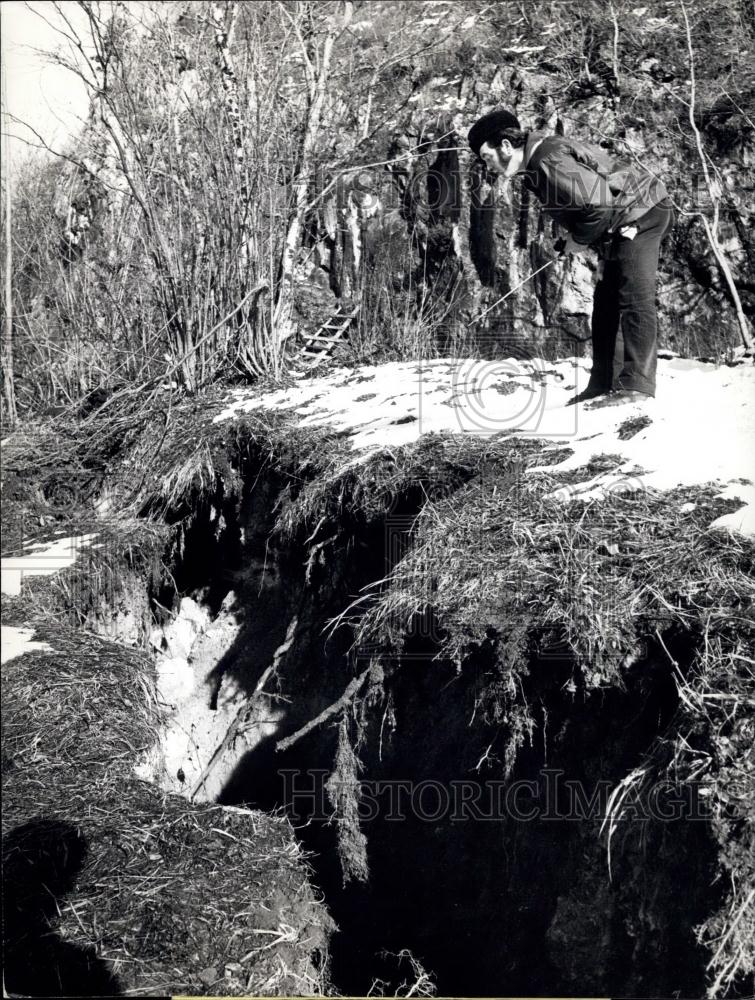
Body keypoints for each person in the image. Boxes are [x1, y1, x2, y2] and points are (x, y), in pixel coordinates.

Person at [468, 109, 674, 406]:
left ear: (505, 146)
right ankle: (604, 383)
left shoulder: (547, 159)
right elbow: (591, 204)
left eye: (486, 156)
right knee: (605, 306)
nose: (488, 166)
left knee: (633, 298)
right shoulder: (536, 165)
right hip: (617, 223)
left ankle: (638, 387)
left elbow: (599, 204)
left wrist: (578, 239)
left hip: (641, 212)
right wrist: (574, 238)